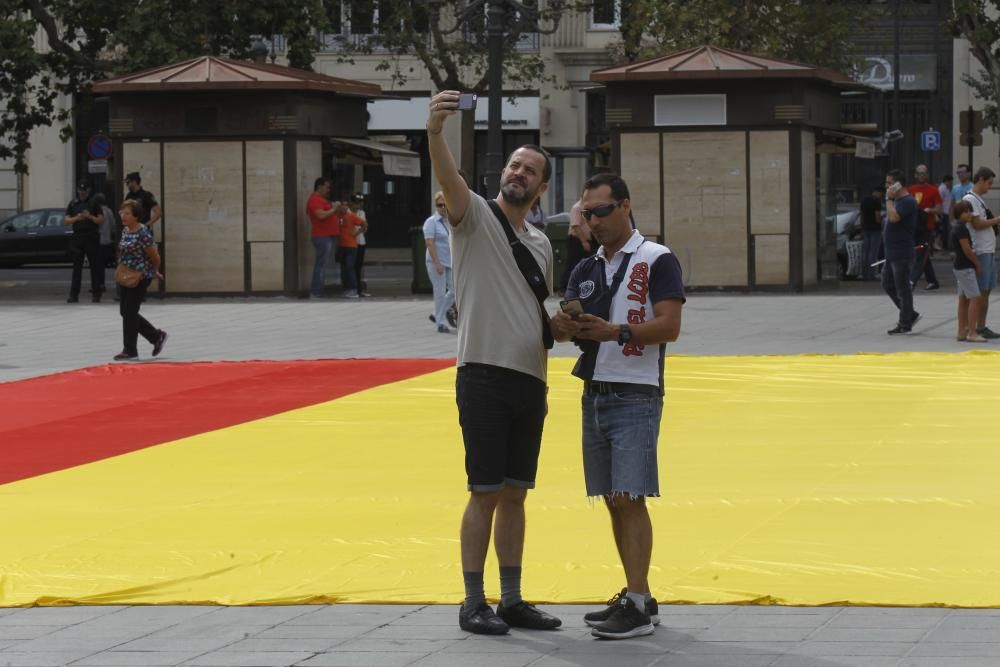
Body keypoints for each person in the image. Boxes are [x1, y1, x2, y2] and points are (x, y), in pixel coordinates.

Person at [427, 90, 561, 636]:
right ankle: (471, 601)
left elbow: (537, 308)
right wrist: (435, 129)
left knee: (515, 492)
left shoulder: (543, 243)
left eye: (530, 170)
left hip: (530, 377)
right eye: (513, 164)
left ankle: (511, 598)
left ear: (542, 187)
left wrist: (569, 325)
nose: (519, 173)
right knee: (483, 489)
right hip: (481, 372)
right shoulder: (473, 216)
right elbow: (448, 174)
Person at [550, 173, 685, 640]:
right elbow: (566, 332)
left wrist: (618, 332)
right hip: (596, 390)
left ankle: (638, 599)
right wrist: (566, 326)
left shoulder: (656, 257)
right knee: (612, 497)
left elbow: (669, 326)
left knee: (630, 495)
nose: (594, 221)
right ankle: (637, 595)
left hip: (635, 388)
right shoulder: (587, 269)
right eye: (587, 213)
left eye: (602, 211)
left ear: (626, 207)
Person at [114, 199, 167, 361]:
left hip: (140, 276)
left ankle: (130, 350)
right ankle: (156, 336)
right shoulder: (125, 230)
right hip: (125, 275)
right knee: (125, 312)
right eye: (122, 213)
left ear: (136, 215)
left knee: (130, 311)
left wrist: (155, 271)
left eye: (127, 213)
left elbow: (155, 256)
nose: (123, 216)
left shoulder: (143, 232)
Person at [961, 167, 1000, 339]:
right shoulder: (970, 199)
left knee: (986, 290)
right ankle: (974, 328)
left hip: (988, 249)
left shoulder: (978, 199)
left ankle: (981, 326)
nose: (989, 187)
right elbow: (976, 224)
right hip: (981, 250)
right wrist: (997, 220)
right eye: (989, 183)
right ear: (981, 180)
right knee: (978, 291)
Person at [883, 169, 920, 335]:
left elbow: (894, 218)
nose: (887, 186)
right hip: (892, 252)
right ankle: (909, 313)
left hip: (902, 252)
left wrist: (889, 200)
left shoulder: (907, 201)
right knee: (888, 284)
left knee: (902, 288)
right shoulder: (897, 201)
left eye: (890, 183)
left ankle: (905, 322)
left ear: (899, 184)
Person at [950, 201, 987, 343]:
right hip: (965, 267)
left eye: (970, 211)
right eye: (966, 212)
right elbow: (966, 250)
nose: (969, 214)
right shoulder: (962, 229)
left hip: (959, 266)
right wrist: (977, 264)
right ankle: (972, 332)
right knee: (976, 298)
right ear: (959, 213)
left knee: (963, 299)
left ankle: (961, 331)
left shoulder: (958, 227)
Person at [64, 180, 105, 303]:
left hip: (91, 236)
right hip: (78, 237)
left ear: (88, 191)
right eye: (80, 191)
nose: (82, 193)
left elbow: (101, 220)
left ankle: (96, 294)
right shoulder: (73, 203)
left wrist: (89, 217)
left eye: (84, 191)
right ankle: (73, 295)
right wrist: (78, 218)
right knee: (77, 267)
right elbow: (66, 220)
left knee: (94, 266)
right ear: (78, 190)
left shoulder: (94, 203)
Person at [423, 192, 456, 334]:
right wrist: (437, 263)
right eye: (439, 205)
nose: (442, 208)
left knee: (455, 291)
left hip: (449, 261)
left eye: (444, 205)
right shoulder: (431, 222)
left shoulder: (450, 221)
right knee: (440, 292)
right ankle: (440, 323)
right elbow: (429, 243)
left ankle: (437, 314)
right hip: (436, 261)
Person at [907, 165, 941, 290]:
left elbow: (938, 208)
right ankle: (932, 280)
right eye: (919, 173)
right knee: (921, 253)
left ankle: (911, 282)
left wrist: (929, 210)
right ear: (915, 175)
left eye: (924, 173)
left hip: (927, 227)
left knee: (921, 255)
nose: (921, 175)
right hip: (913, 227)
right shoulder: (910, 190)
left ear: (927, 175)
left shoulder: (933, 190)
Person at [307, 178, 337, 298]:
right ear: (319, 186)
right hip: (322, 236)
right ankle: (316, 291)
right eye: (327, 187)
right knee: (320, 265)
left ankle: (318, 289)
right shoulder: (314, 199)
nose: (328, 190)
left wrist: (337, 208)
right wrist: (334, 208)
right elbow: (320, 215)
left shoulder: (322, 200)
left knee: (323, 265)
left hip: (327, 236)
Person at [333, 198, 365, 298]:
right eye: (342, 205)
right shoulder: (337, 216)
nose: (344, 207)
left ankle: (353, 289)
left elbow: (364, 224)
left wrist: (356, 233)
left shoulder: (351, 216)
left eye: (346, 205)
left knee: (350, 267)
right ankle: (347, 288)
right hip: (341, 245)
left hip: (351, 246)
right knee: (345, 268)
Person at [561, 198, 594, 292]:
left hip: (587, 239)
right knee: (572, 264)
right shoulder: (577, 207)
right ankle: (564, 288)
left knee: (585, 264)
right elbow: (575, 225)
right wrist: (584, 242)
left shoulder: (587, 207)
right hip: (577, 240)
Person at [859, 187, 883, 281]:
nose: (881, 195)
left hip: (866, 229)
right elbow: (877, 218)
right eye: (881, 193)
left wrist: (862, 227)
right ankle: (871, 275)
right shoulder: (877, 202)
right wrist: (881, 219)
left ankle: (864, 274)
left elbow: (861, 215)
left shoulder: (864, 201)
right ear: (876, 192)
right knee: (873, 253)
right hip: (875, 230)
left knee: (865, 252)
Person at [349, 194, 371, 296]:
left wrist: (358, 229)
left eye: (360, 203)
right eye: (356, 203)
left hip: (360, 241)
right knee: (350, 266)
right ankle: (351, 288)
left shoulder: (362, 213)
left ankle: (359, 289)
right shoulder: (348, 213)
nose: (358, 205)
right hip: (350, 242)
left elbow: (365, 227)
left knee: (358, 266)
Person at [938, 174, 954, 250]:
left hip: (947, 211)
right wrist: (940, 213)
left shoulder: (947, 188)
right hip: (944, 212)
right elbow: (939, 201)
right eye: (951, 182)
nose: (951, 184)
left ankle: (946, 245)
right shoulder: (942, 188)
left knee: (946, 230)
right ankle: (944, 246)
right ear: (948, 181)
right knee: (944, 230)